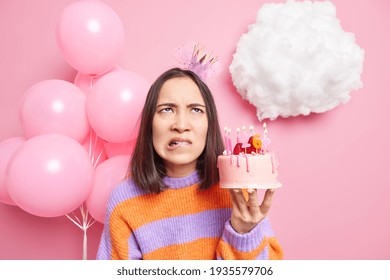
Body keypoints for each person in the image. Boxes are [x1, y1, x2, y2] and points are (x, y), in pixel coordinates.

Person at [96, 67, 283, 260]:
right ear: (149, 124)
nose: (181, 125)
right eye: (167, 109)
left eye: (195, 110)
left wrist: (243, 234)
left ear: (209, 124)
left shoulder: (235, 189)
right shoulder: (124, 201)